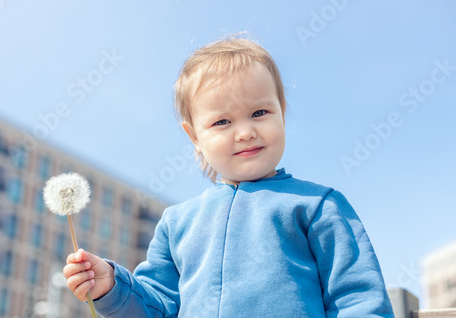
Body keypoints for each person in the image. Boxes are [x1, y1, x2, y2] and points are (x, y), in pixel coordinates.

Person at [63, 36, 394, 317]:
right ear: (194, 137)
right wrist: (112, 286)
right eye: (222, 122)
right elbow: (159, 306)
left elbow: (358, 298)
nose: (246, 132)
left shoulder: (318, 205)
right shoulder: (176, 224)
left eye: (260, 113)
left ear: (282, 113)